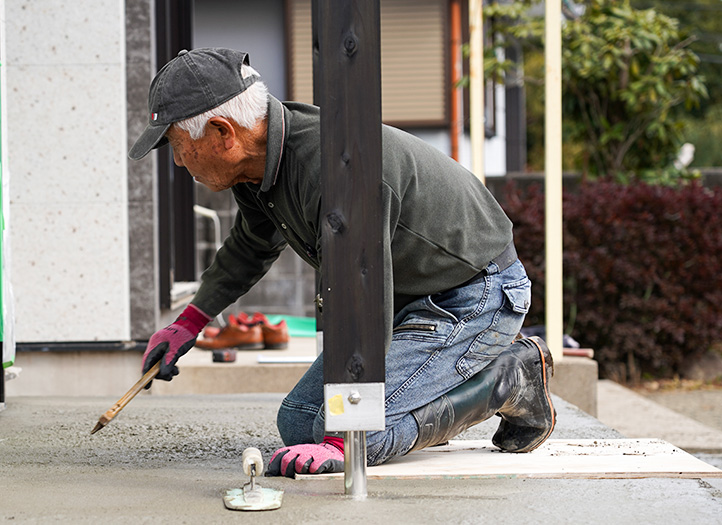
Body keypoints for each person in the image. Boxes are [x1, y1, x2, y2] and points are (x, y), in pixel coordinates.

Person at [129, 48, 555, 477]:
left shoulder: (337, 169)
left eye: (178, 147)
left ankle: (510, 376)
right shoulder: (257, 168)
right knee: (299, 423)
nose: (180, 161)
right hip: (406, 300)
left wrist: (341, 437)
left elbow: (363, 295)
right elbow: (250, 246)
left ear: (223, 133)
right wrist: (189, 321)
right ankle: (421, 395)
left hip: (475, 294)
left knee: (358, 436)